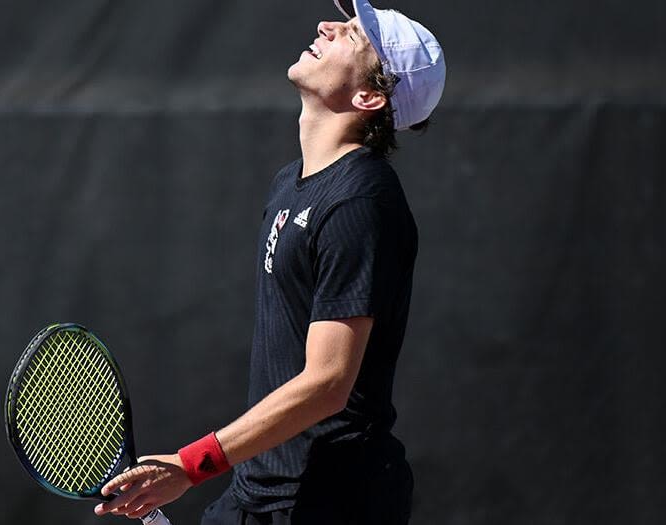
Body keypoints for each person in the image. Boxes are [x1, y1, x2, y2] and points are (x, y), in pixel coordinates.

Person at [93, 1, 445, 523]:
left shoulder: (361, 202)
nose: (326, 26)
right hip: (259, 491)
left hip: (334, 501)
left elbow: (328, 383)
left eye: (353, 35)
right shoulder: (290, 184)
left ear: (369, 95)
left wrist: (190, 467)